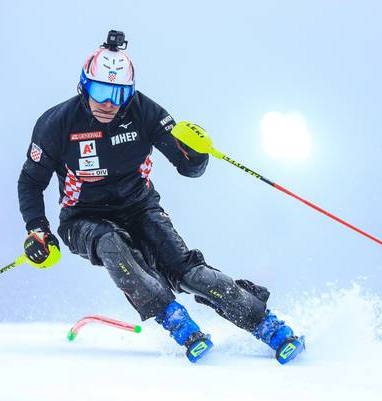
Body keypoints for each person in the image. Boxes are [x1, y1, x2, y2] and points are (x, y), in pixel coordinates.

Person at [18, 30, 305, 364]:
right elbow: (30, 181)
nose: (109, 103)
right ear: (84, 85)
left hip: (140, 207)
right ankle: (175, 321)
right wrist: (37, 227)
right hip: (82, 217)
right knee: (112, 244)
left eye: (119, 94)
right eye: (100, 90)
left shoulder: (144, 112)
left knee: (190, 273)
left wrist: (198, 153)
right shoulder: (57, 124)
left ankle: (268, 326)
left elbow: (189, 168)